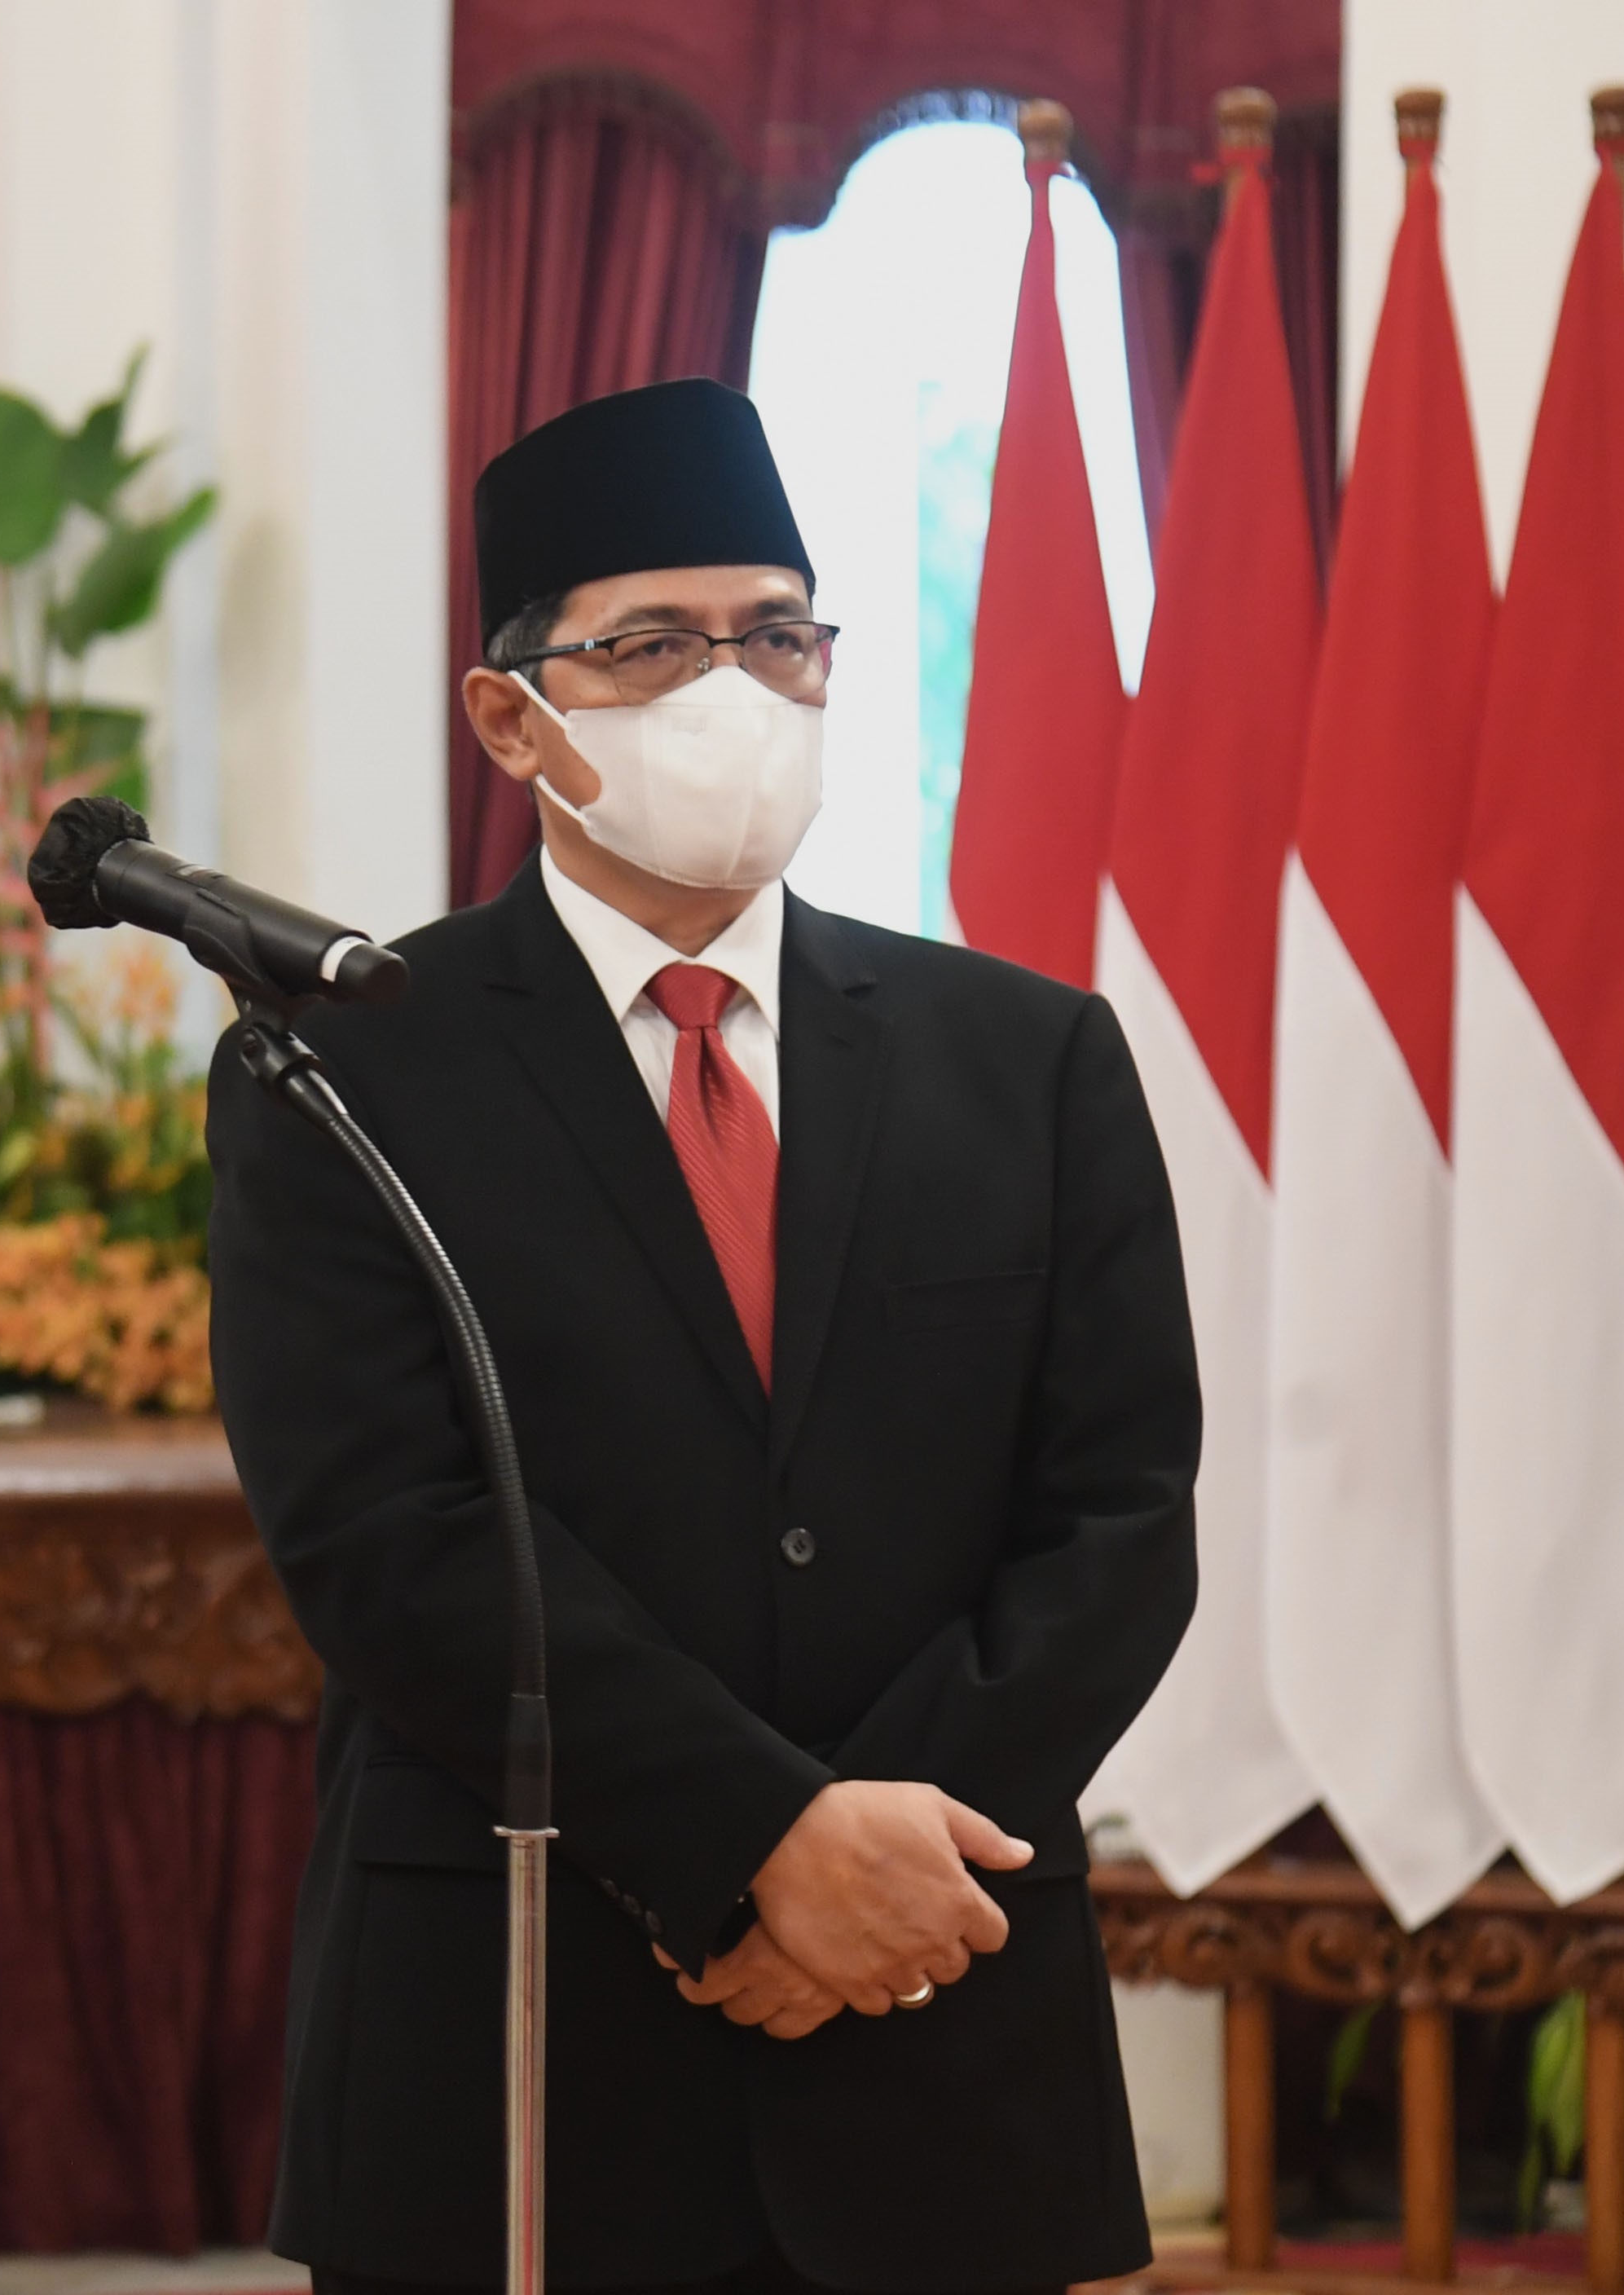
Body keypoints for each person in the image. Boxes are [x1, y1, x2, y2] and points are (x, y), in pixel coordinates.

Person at [208, 377, 1199, 2295]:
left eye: (773, 634)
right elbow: (384, 1541)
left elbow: (1115, 1524)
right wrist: (756, 1840)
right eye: (651, 644)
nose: (729, 685)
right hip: (521, 2025)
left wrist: (868, 1874)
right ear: (510, 714)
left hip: (942, 2006)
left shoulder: (1026, 1057)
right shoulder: (342, 1066)